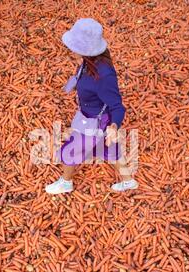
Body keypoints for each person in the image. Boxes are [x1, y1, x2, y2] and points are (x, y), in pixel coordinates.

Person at [45, 18, 138, 194]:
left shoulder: (104, 76)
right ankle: (128, 181)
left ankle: (66, 182)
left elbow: (117, 106)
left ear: (85, 50)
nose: (70, 49)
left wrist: (114, 126)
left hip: (95, 122)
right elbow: (85, 80)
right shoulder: (90, 63)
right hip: (94, 117)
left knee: (70, 151)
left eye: (74, 46)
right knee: (111, 149)